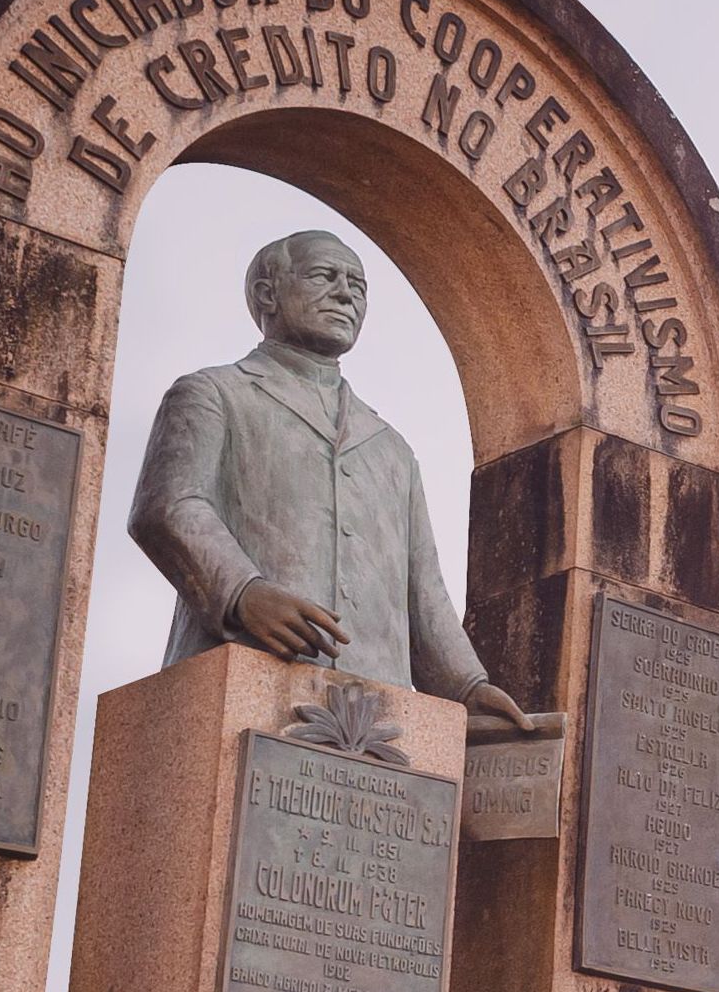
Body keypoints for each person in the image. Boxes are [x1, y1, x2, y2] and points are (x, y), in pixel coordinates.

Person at [129, 229, 536, 725]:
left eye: (358, 286)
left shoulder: (391, 448)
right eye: (325, 276)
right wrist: (242, 593)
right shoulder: (213, 393)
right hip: (245, 672)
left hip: (376, 705)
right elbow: (169, 506)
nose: (346, 293)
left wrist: (465, 686)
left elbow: (423, 584)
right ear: (267, 293)